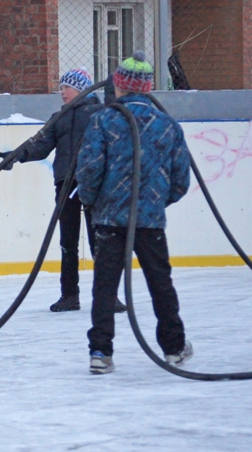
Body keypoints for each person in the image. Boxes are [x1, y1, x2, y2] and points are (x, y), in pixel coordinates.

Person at [75, 52, 194, 374]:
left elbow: (89, 169)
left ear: (119, 85)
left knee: (105, 285)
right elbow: (181, 179)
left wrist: (92, 201)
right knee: (160, 282)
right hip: (149, 221)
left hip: (109, 218)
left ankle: (100, 351)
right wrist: (156, 202)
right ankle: (174, 348)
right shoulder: (167, 124)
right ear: (148, 87)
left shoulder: (103, 120)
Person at [0, 68, 126, 314]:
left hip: (94, 184)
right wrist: (17, 156)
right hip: (66, 184)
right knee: (68, 241)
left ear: (80, 88)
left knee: (100, 241)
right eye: (61, 88)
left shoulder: (101, 114)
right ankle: (69, 295)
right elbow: (41, 145)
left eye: (66, 87)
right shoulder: (60, 117)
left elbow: (118, 129)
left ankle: (108, 296)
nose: (62, 92)